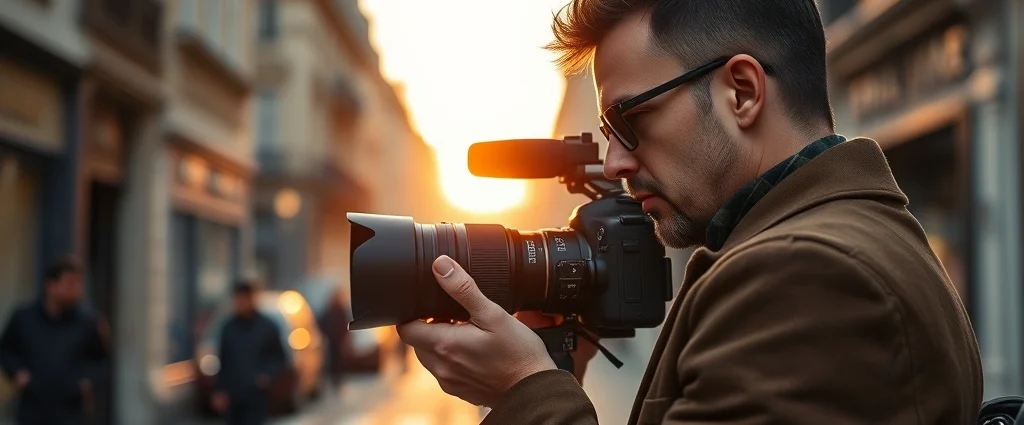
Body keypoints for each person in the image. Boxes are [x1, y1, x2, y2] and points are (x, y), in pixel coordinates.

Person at [395, 1, 983, 424]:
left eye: (631, 120)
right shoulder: (830, 242)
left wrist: (527, 391)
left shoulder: (807, 277)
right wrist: (558, 371)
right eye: (606, 131)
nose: (617, 162)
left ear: (743, 92)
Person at [0, 255, 108, 425]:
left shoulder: (88, 323)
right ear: (51, 285)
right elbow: (5, 350)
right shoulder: (23, 318)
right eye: (70, 284)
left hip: (70, 411)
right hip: (32, 409)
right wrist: (16, 373)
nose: (77, 292)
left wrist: (86, 382)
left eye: (79, 284)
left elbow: (101, 360)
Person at [212, 281, 288, 425]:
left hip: (256, 394)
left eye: (244, 299)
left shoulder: (267, 327)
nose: (241, 303)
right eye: (238, 299)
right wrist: (220, 390)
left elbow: (280, 359)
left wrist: (267, 376)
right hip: (234, 394)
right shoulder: (228, 328)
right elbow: (223, 361)